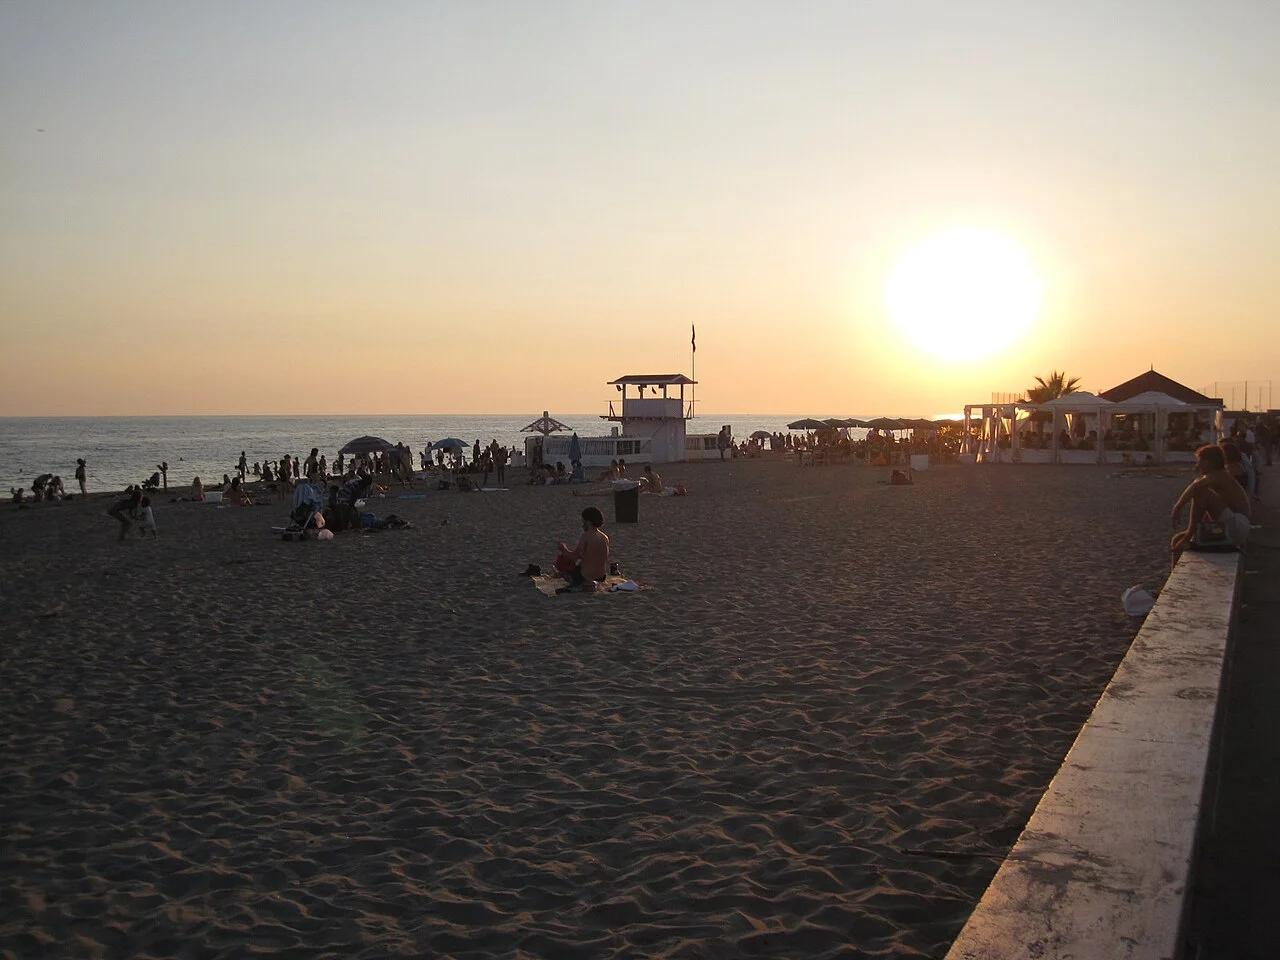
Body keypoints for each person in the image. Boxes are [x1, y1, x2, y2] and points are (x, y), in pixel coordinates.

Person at [1170, 444, 1251, 562]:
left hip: (1236, 525)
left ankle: (1189, 536)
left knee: (1201, 492)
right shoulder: (1216, 477)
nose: (1197, 465)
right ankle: (1176, 568)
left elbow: (1195, 487)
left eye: (1199, 461)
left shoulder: (1219, 474)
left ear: (1209, 463)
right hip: (1232, 526)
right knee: (1177, 539)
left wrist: (1177, 507)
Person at [557, 506, 611, 593]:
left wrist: (563, 548)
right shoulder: (605, 537)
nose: (582, 525)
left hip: (585, 577)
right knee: (579, 564)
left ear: (588, 522)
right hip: (601, 577)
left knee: (564, 568)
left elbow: (573, 557)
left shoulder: (586, 536)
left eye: (583, 522)